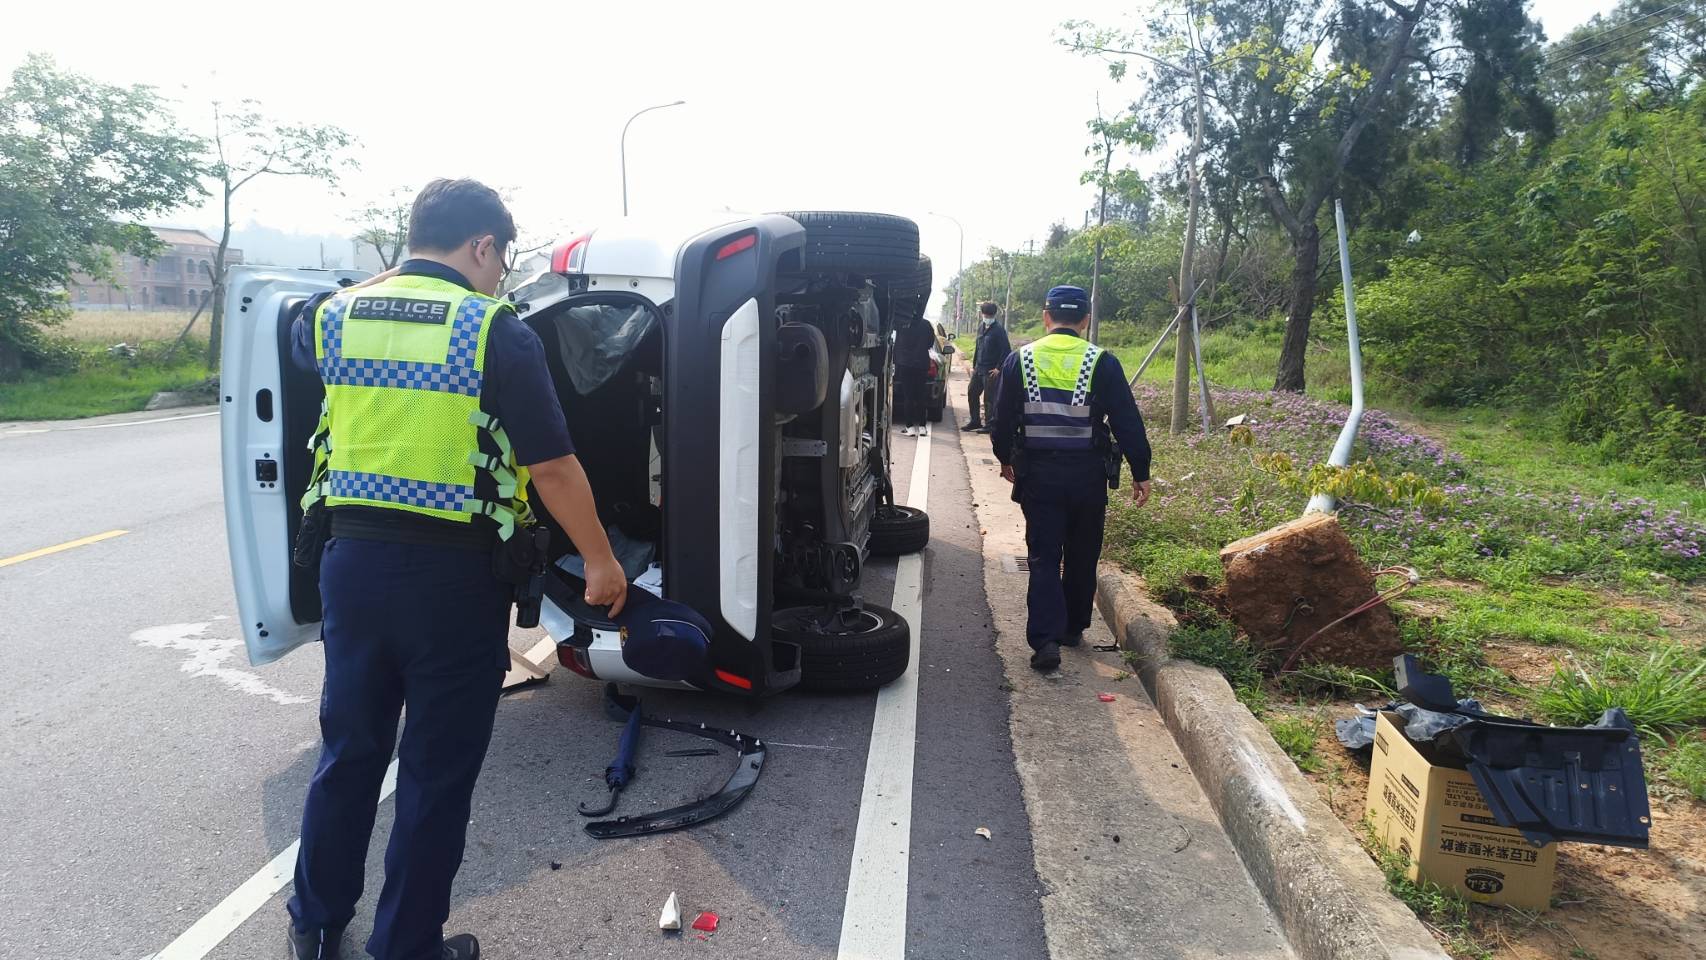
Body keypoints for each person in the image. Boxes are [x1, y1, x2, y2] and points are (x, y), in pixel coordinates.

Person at [284, 179, 628, 960]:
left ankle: (315, 921)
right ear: (482, 246)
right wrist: (602, 562)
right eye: (500, 261)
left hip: (352, 565)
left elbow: (304, 329)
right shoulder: (492, 329)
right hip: (452, 581)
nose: (498, 277)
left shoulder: (335, 318)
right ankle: (405, 945)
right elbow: (553, 469)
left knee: (349, 749)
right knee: (435, 771)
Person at [990, 285, 1153, 671]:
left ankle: (1045, 640)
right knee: (1082, 552)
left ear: (1046, 318)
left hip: (1039, 475)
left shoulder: (1021, 359)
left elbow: (1001, 419)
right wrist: (1140, 471)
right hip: (1087, 476)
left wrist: (1003, 458)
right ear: (1085, 320)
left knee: (1044, 555)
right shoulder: (1102, 362)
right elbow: (1127, 421)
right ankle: (1074, 626)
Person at [963, 300, 1011, 433]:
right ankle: (975, 421)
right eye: (985, 315)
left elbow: (1006, 351)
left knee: (989, 399)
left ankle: (989, 424)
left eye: (989, 316)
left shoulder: (999, 331)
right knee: (972, 393)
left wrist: (998, 368)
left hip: (990, 371)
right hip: (978, 368)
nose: (987, 318)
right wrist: (974, 365)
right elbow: (978, 347)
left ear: (994, 315)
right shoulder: (981, 327)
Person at [893, 310, 935, 437]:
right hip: (921, 364)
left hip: (905, 365)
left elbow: (897, 345)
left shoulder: (902, 324)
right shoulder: (926, 324)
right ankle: (922, 427)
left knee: (908, 396)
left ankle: (910, 427)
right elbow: (930, 343)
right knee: (921, 396)